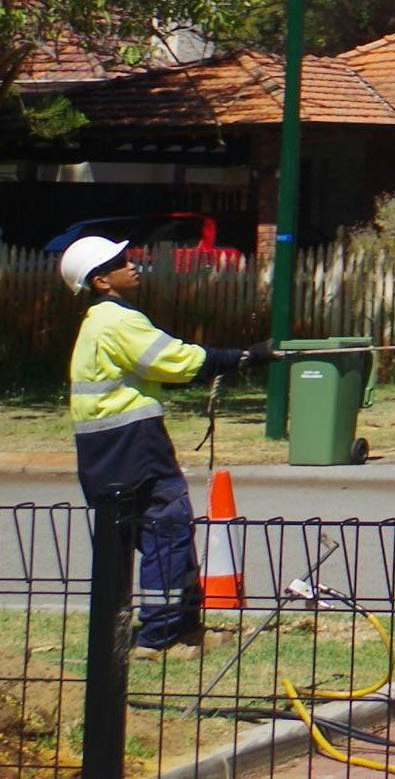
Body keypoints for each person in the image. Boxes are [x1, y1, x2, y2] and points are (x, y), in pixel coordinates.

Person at [62, 234, 267, 654]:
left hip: (101, 453)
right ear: (101, 280)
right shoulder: (118, 321)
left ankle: (129, 633)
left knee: (123, 543)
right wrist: (241, 358)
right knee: (167, 531)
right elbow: (176, 360)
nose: (132, 264)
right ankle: (163, 636)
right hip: (136, 447)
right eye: (121, 261)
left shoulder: (95, 324)